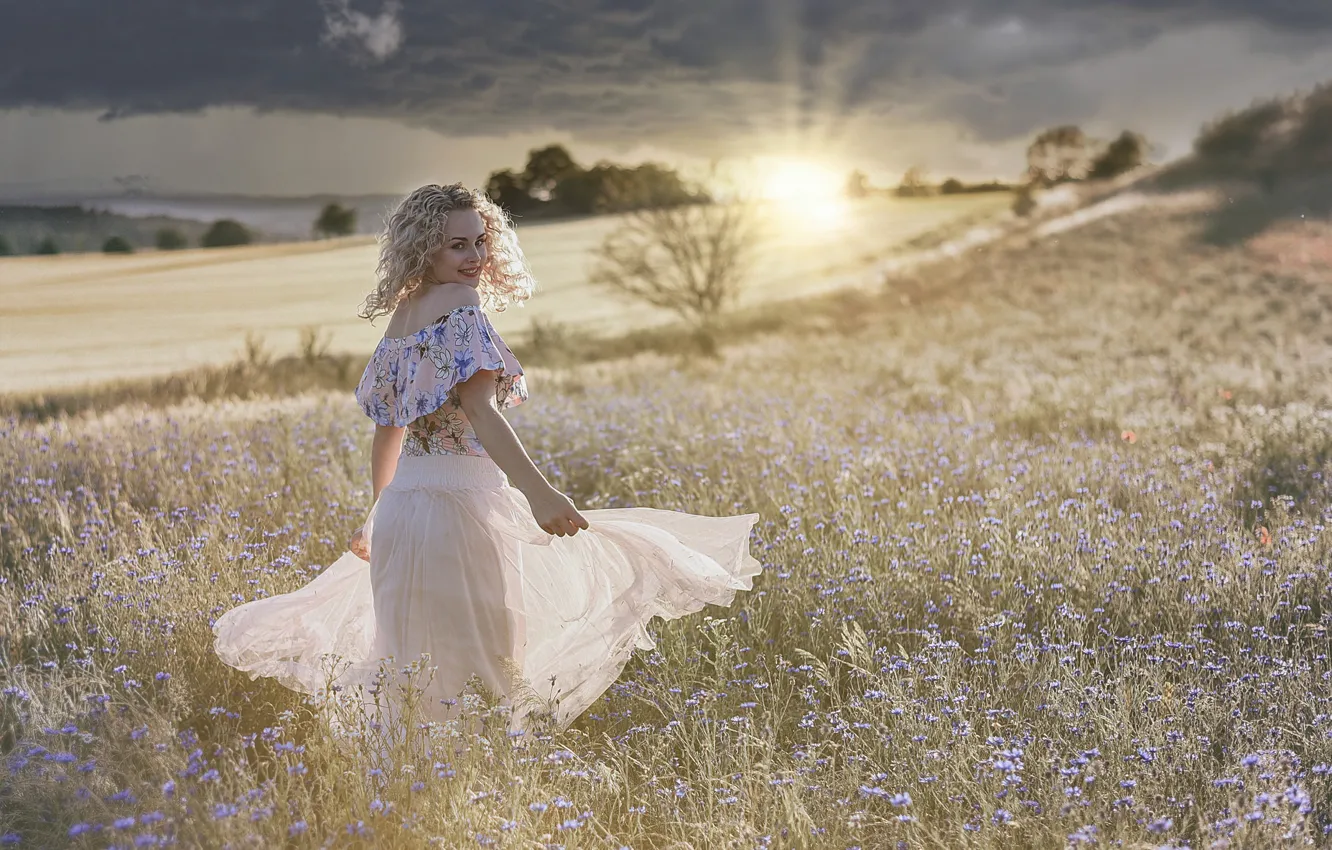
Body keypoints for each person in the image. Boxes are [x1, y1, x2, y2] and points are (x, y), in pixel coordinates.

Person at [213, 183, 762, 732]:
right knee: (488, 659)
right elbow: (480, 411)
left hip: (405, 510)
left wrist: (378, 511)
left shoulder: (402, 317)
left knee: (411, 661)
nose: (474, 258)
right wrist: (539, 492)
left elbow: (388, 433)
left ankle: (412, 782)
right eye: (456, 245)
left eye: (480, 242)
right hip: (461, 506)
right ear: (425, 247)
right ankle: (480, 782)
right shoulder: (461, 307)